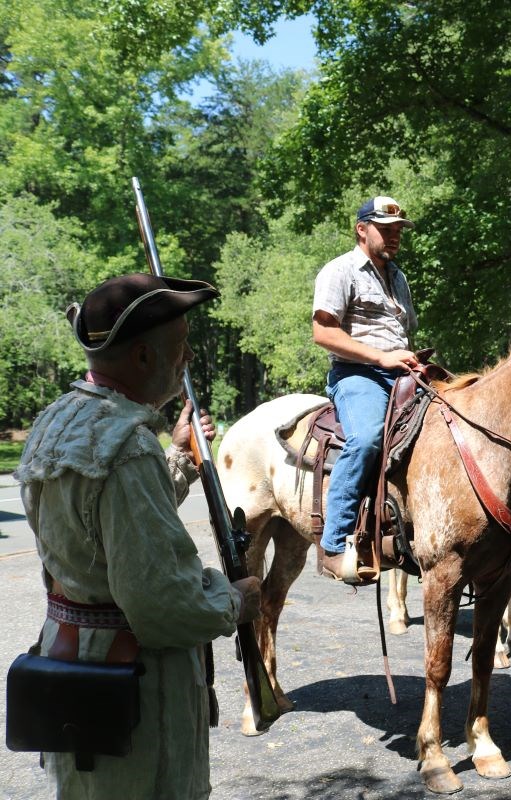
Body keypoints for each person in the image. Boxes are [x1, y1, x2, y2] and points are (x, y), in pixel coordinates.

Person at [14, 273, 262, 799]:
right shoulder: (127, 445)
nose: (189, 356)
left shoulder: (58, 419)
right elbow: (161, 606)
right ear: (145, 358)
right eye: (181, 346)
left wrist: (176, 456)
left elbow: (101, 528)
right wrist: (232, 601)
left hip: (72, 662)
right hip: (133, 682)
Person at [311, 196, 421, 584]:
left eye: (398, 231)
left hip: (403, 372)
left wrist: (407, 358)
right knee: (368, 437)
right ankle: (335, 544)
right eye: (385, 229)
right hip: (358, 375)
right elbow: (323, 332)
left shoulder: (398, 277)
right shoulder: (340, 271)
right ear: (362, 229)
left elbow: (403, 332)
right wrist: (381, 357)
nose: (394, 237)